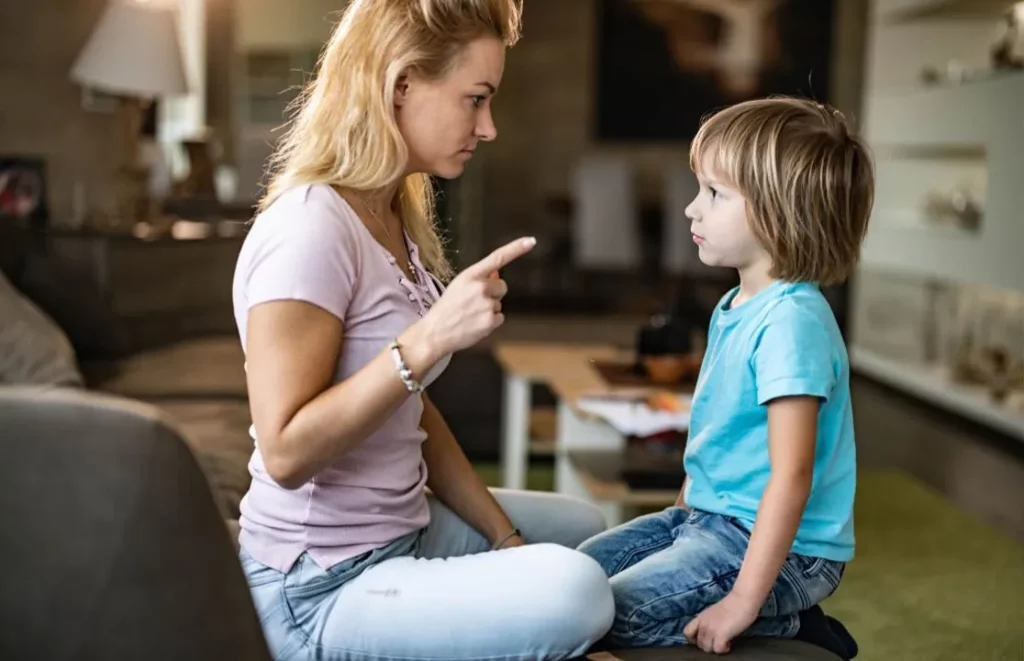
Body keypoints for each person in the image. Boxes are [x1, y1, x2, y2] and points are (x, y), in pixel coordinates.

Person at [230, 1, 615, 659]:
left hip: (401, 531)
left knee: (584, 529)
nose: (488, 127)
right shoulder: (309, 230)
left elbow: (410, 410)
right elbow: (287, 451)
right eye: (475, 99)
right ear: (401, 84)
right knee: (578, 588)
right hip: (318, 586)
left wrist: (506, 541)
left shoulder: (389, 214)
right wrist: (430, 338)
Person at [578, 97, 875, 658]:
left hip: (789, 554)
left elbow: (792, 475)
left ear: (782, 211)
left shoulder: (791, 321)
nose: (692, 210)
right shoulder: (736, 303)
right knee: (570, 582)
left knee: (606, 616)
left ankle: (788, 624)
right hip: (706, 521)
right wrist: (685, 511)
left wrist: (743, 602)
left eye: (714, 194)